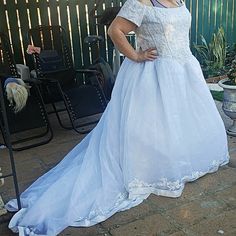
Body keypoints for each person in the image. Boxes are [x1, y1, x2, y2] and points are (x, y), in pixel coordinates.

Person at [6, 0, 230, 235]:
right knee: (149, 127)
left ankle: (180, 163)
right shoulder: (141, 1)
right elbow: (115, 30)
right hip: (153, 74)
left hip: (184, 70)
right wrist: (135, 55)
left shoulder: (179, 0)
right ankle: (152, 168)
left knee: (178, 123)